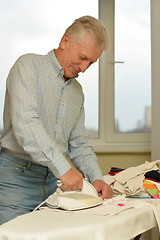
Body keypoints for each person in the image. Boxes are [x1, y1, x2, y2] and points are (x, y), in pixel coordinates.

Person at [0, 15, 113, 225]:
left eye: (91, 62)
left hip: (53, 184)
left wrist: (97, 178)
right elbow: (26, 124)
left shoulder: (77, 92)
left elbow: (78, 144)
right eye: (82, 57)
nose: (85, 68)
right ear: (65, 41)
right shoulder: (27, 66)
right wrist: (64, 168)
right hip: (15, 179)